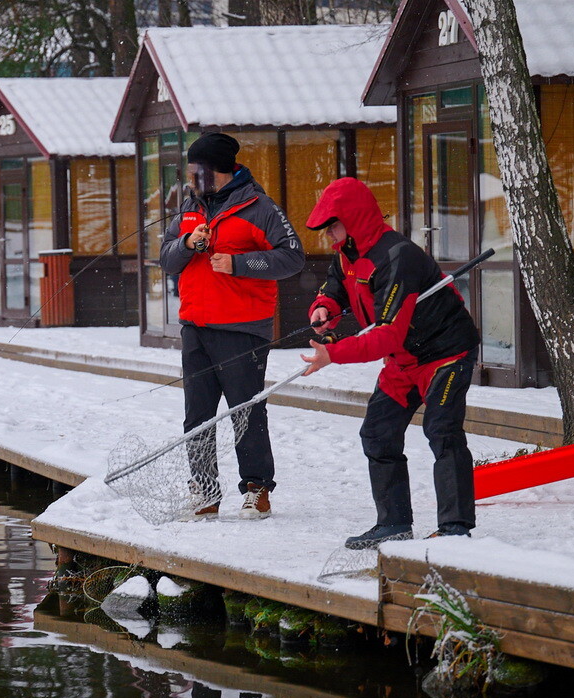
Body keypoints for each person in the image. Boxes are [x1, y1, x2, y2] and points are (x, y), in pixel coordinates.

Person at [299, 177, 481, 548]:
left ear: (352, 218)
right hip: (403, 361)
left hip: (445, 353)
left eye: (333, 226)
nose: (330, 236)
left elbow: (386, 335)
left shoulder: (398, 256)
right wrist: (324, 309)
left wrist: (333, 352)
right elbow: (336, 288)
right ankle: (393, 524)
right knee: (377, 433)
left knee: (442, 430)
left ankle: (455, 528)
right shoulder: (346, 254)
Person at [159, 132, 306, 520]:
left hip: (243, 329)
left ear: (216, 171)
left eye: (196, 170)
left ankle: (257, 489)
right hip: (195, 325)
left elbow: (293, 258)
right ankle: (205, 491)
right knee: (197, 416)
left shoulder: (261, 208)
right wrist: (187, 244)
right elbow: (166, 258)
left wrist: (239, 264)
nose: (190, 177)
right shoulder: (188, 208)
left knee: (246, 411)